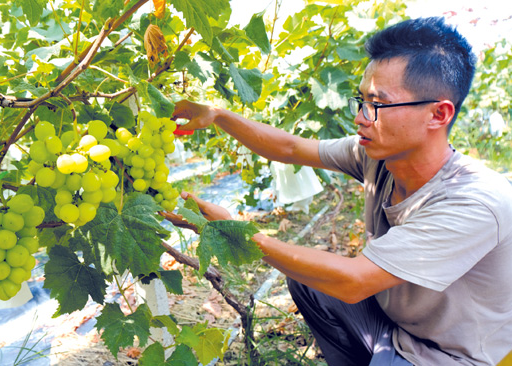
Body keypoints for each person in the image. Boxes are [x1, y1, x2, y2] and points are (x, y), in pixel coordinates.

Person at [172, 17, 512, 366]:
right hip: (397, 328)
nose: (361, 117)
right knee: (310, 280)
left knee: (332, 278)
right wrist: (217, 116)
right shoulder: (376, 156)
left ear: (438, 114)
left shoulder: (475, 201)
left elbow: (354, 282)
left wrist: (238, 232)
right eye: (361, 100)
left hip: (450, 357)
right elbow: (291, 149)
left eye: (377, 104)